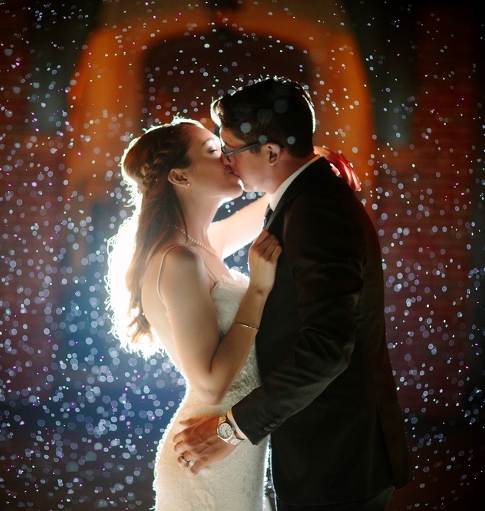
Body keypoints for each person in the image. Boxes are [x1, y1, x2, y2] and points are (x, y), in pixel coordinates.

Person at [171, 76, 413, 511]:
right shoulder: (304, 194)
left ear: (270, 152)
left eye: (231, 149)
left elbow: (327, 348)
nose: (227, 160)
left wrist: (231, 430)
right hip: (321, 451)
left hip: (337, 458)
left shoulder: (317, 208)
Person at [106, 117, 282, 511]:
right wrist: (257, 290)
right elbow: (210, 386)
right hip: (206, 455)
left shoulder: (206, 243)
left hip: (234, 447)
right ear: (180, 176)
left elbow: (277, 200)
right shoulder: (178, 259)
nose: (229, 158)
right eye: (214, 151)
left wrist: (315, 161)